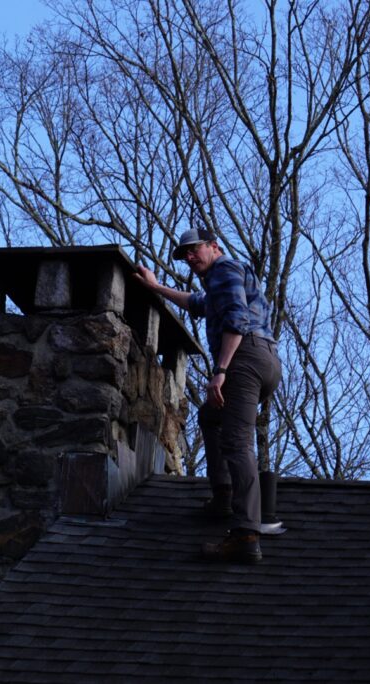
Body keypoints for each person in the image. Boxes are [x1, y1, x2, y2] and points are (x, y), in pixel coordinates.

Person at [134, 228, 281, 563]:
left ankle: (246, 533)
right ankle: (224, 496)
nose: (189, 257)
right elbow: (197, 304)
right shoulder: (220, 279)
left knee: (236, 441)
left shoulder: (225, 269)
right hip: (264, 360)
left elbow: (237, 320)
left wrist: (221, 370)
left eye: (193, 250)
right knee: (210, 417)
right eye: (184, 254)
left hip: (245, 359)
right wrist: (156, 287)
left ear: (213, 246)